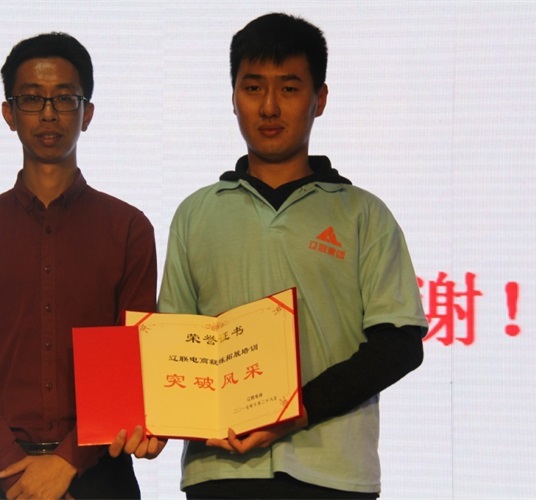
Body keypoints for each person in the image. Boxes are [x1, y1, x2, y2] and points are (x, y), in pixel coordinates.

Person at [155, 13, 429, 499]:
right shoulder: (196, 213)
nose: (269, 107)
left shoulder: (363, 214)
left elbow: (399, 343)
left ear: (319, 99)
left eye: (289, 88)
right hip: (220, 472)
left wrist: (294, 411)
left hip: (333, 477)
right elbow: (173, 342)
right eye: (253, 88)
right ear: (233, 97)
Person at [0, 32, 157, 499]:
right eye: (32, 98)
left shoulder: (129, 229)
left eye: (65, 98)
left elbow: (134, 359)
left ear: (86, 114)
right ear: (9, 114)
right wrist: (16, 470)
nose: (49, 113)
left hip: (99, 474)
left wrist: (67, 462)